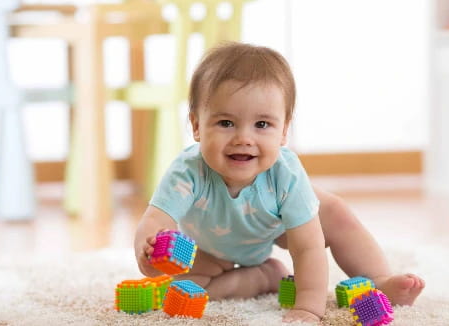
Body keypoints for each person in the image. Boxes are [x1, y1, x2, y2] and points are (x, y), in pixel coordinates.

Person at [134, 42, 424, 323]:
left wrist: (309, 307)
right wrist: (149, 254)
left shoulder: (286, 174)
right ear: (197, 126)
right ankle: (263, 276)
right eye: (226, 123)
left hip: (274, 225)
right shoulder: (188, 171)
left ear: (284, 131)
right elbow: (157, 219)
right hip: (208, 249)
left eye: (262, 125)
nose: (243, 138)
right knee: (182, 290)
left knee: (335, 213)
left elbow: (308, 247)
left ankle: (380, 280)